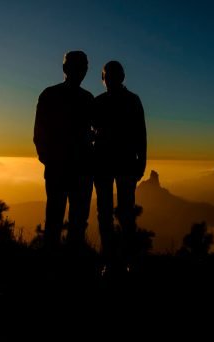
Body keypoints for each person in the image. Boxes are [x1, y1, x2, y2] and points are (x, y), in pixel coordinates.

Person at [34, 51, 94, 250]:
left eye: (83, 68)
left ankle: (61, 265)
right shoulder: (53, 95)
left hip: (74, 169)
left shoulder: (85, 98)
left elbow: (39, 135)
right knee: (61, 219)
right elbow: (39, 133)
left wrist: (49, 159)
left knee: (65, 219)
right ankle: (63, 266)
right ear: (65, 69)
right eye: (78, 67)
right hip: (65, 168)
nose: (81, 72)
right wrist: (50, 160)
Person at [92, 61, 147, 266]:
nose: (110, 80)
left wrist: (141, 162)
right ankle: (110, 260)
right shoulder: (98, 102)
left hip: (124, 164)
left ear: (122, 77)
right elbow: (89, 132)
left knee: (125, 214)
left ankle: (127, 260)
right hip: (103, 165)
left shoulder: (133, 100)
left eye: (114, 75)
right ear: (103, 79)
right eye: (107, 76)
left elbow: (141, 133)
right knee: (105, 214)